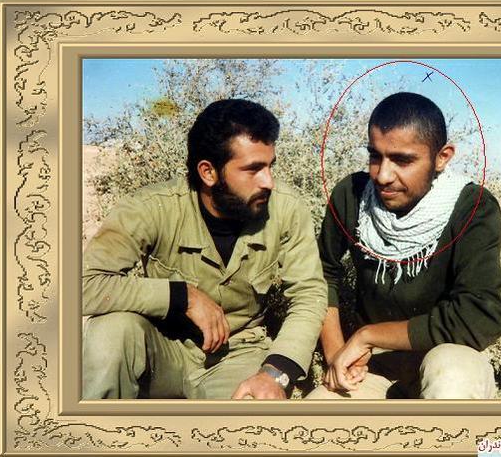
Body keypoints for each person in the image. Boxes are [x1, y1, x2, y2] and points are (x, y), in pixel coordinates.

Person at [82, 99, 327, 400]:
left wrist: (275, 372)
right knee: (110, 331)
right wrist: (180, 296)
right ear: (208, 172)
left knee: (257, 407)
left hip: (238, 353)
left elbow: (309, 294)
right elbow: (83, 285)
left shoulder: (286, 210)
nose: (269, 182)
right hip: (163, 349)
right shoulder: (150, 208)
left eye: (269, 166)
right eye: (253, 169)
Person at [307, 92, 501, 400]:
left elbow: (480, 317)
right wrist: (337, 355)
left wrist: (367, 336)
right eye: (375, 156)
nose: (383, 176)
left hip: (445, 361)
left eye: (402, 160)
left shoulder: (472, 207)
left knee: (452, 381)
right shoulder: (353, 194)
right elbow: (323, 273)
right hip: (371, 366)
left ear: (442, 157)